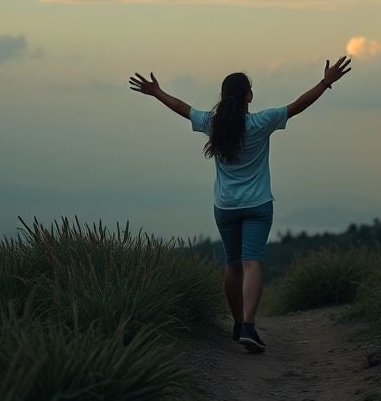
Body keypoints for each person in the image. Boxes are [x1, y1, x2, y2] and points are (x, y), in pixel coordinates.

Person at [128, 56, 352, 352]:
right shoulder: (261, 122)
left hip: (225, 206)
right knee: (252, 262)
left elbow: (182, 108)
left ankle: (237, 325)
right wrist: (326, 82)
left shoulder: (212, 124)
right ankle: (248, 325)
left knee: (232, 266)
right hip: (258, 205)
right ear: (248, 95)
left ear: (223, 96)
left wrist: (156, 92)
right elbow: (299, 105)